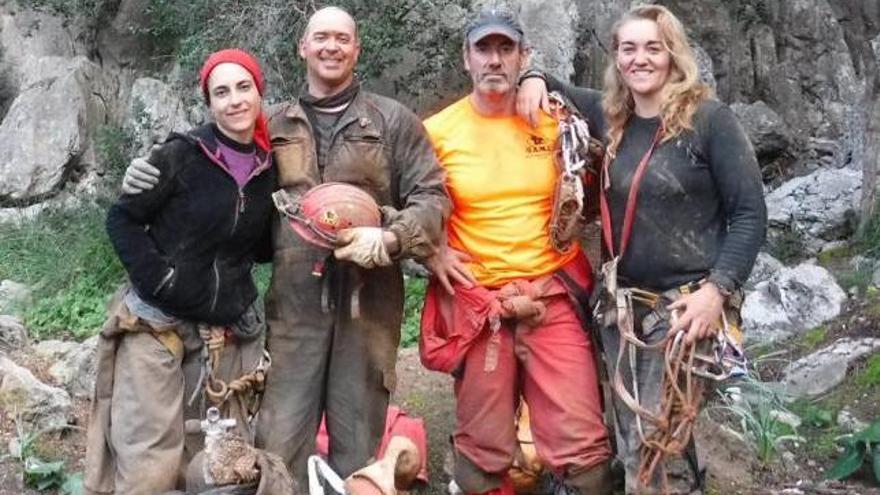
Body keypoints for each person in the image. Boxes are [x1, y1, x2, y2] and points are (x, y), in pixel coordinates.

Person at [121, 6, 449, 490]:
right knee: (279, 435)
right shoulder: (269, 125)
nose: (331, 46)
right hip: (294, 303)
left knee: (358, 434)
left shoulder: (393, 121)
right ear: (303, 48)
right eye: (321, 37)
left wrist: (394, 237)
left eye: (342, 38)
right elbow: (208, 158)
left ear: (357, 49)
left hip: (370, 301)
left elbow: (432, 195)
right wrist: (147, 174)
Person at [517, 5, 767, 494]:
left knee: (653, 443)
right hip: (622, 309)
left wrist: (716, 293)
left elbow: (750, 215)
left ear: (673, 54)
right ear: (616, 58)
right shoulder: (613, 118)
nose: (640, 59)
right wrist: (530, 76)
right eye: (628, 49)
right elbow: (550, 82)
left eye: (653, 47)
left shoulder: (710, 122)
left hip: (684, 309)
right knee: (635, 433)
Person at [420, 7, 613, 495]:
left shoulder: (554, 118)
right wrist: (432, 252)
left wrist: (540, 81)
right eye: (483, 49)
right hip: (480, 302)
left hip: (552, 293)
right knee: (482, 448)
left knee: (583, 444)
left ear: (522, 56)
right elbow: (410, 200)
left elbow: (629, 113)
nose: (494, 60)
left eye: (506, 49)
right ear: (466, 58)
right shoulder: (438, 132)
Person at [84, 49, 278, 494]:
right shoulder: (181, 155)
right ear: (209, 103)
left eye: (243, 87)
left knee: (213, 462)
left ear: (259, 92)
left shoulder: (269, 170)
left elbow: (260, 247)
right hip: (157, 325)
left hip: (222, 332)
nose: (234, 100)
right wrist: (160, 280)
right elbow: (123, 219)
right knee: (149, 460)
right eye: (221, 92)